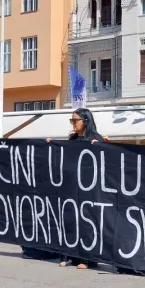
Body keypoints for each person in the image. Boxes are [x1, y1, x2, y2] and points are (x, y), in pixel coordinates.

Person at [46, 108, 105, 269]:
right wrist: (52, 145)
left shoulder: (95, 139)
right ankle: (70, 255)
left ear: (85, 121)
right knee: (71, 221)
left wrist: (100, 147)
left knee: (86, 223)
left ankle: (87, 259)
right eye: (71, 120)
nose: (73, 123)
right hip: (72, 188)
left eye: (75, 120)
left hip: (88, 189)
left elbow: (104, 162)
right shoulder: (72, 139)